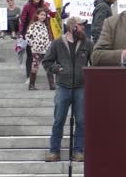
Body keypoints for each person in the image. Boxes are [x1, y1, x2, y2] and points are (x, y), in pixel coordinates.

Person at [43, 16, 93, 162]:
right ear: (72, 27)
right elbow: (47, 61)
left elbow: (95, 61)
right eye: (81, 25)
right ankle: (54, 151)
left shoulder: (87, 43)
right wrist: (57, 68)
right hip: (63, 87)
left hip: (81, 88)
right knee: (58, 120)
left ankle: (78, 151)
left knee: (81, 121)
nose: (84, 27)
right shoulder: (58, 43)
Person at [19, 0, 45, 83]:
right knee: (30, 56)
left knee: (39, 56)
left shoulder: (43, 6)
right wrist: (21, 33)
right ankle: (28, 76)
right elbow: (23, 20)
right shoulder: (27, 6)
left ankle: (34, 74)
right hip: (30, 34)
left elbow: (48, 19)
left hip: (41, 34)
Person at [26, 8, 53, 90]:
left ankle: (52, 85)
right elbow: (27, 36)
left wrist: (48, 45)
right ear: (37, 15)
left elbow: (47, 37)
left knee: (48, 66)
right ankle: (31, 85)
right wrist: (33, 45)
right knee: (35, 66)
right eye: (41, 15)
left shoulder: (45, 26)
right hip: (36, 50)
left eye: (44, 15)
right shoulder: (33, 25)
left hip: (45, 50)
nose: (43, 16)